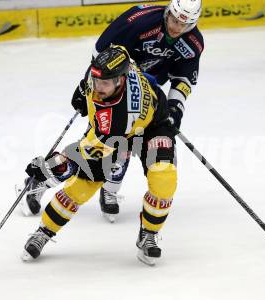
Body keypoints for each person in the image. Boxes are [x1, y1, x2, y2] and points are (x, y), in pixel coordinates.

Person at [22, 0, 203, 222]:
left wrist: (175, 110)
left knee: (124, 143)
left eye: (183, 25)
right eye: (174, 20)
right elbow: (101, 55)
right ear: (167, 13)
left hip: (143, 95)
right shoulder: (138, 23)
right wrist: (85, 86)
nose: (176, 28)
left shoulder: (193, 43)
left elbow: (183, 80)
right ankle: (42, 180)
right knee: (96, 144)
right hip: (113, 89)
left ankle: (109, 188)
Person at [21, 45, 177, 266]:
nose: (97, 88)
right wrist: (83, 86)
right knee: (81, 189)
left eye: (104, 83)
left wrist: (46, 167)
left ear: (120, 80)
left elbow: (77, 154)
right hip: (114, 131)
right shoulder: (119, 59)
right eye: (95, 81)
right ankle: (44, 232)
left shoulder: (116, 119)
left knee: (164, 179)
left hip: (151, 128)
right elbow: (114, 51)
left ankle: (148, 234)